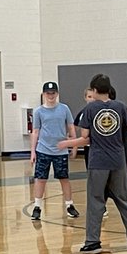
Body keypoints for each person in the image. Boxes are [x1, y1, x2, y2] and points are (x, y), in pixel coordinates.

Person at [58, 73, 127, 254]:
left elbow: (85, 138)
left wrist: (67, 144)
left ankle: (92, 242)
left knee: (96, 200)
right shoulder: (120, 106)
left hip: (98, 161)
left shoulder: (90, 109)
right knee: (124, 199)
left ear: (95, 90)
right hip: (118, 160)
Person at [30, 82, 79, 221]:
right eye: (48, 93)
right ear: (44, 94)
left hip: (60, 150)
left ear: (57, 94)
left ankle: (69, 205)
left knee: (64, 178)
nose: (51, 96)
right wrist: (33, 152)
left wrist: (74, 146)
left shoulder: (64, 109)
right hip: (43, 150)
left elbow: (71, 127)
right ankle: (37, 206)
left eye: (53, 93)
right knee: (41, 179)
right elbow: (35, 131)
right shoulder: (38, 111)